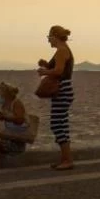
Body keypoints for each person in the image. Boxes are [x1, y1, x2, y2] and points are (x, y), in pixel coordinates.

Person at [37, 25, 75, 170]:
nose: (48, 41)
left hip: (62, 89)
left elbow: (59, 71)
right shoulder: (64, 50)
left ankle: (67, 160)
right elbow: (61, 68)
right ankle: (66, 159)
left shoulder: (61, 51)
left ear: (55, 36)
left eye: (49, 38)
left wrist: (44, 72)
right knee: (61, 124)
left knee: (57, 125)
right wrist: (46, 65)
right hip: (64, 89)